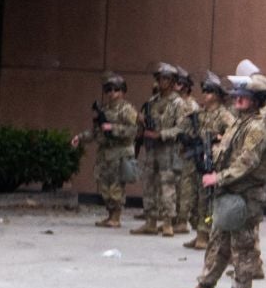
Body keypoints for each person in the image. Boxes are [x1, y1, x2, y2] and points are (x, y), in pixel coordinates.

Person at [179, 69, 266, 288]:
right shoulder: (240, 121)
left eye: (243, 96)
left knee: (242, 245)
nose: (238, 99)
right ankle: (205, 287)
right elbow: (226, 149)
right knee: (218, 240)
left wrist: (219, 177)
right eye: (237, 95)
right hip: (231, 191)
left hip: (246, 193)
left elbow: (248, 161)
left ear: (257, 99)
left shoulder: (256, 126)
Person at [132, 63, 187, 236]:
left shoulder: (178, 103)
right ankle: (150, 221)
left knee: (167, 186)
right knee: (149, 183)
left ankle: (168, 222)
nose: (162, 82)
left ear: (173, 81)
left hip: (168, 150)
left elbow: (182, 127)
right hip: (152, 150)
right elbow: (144, 126)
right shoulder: (151, 102)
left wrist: (161, 134)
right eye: (160, 78)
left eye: (166, 78)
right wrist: (140, 122)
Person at [79, 74, 141, 227]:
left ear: (122, 91)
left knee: (116, 187)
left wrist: (114, 128)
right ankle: (110, 215)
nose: (112, 93)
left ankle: (116, 217)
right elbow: (95, 132)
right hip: (105, 154)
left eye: (116, 89)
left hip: (120, 153)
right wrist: (80, 137)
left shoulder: (127, 109)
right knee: (105, 187)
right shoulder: (104, 110)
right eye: (108, 90)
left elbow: (135, 130)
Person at [179, 68, 230, 250]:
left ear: (217, 94)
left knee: (206, 200)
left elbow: (232, 136)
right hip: (197, 159)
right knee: (191, 197)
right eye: (205, 91)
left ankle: (205, 234)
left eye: (209, 91)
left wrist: (217, 139)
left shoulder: (224, 115)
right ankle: (199, 233)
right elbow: (184, 126)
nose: (205, 95)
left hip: (212, 161)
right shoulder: (200, 114)